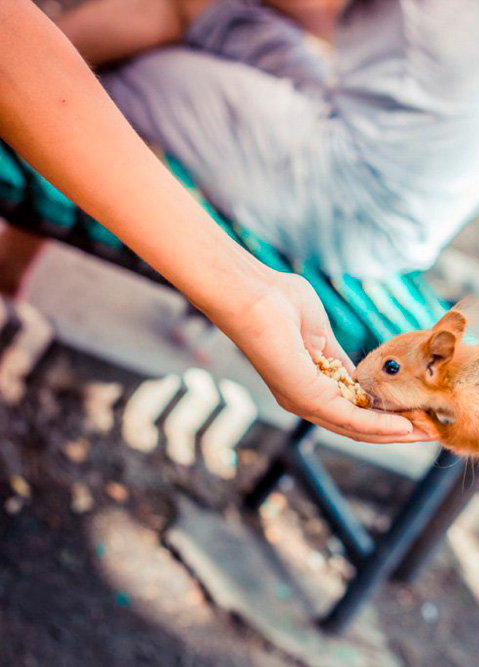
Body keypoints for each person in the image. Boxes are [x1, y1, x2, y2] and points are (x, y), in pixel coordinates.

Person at [0, 0, 427, 444]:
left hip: (347, 191)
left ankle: (12, 267)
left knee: (174, 19)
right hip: (396, 225)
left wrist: (250, 296)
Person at [52, 0, 479, 281]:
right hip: (388, 187)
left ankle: (25, 75)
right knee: (207, 9)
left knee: (125, 68)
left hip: (353, 202)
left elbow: (314, 6)